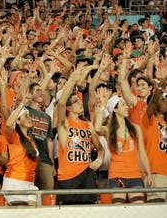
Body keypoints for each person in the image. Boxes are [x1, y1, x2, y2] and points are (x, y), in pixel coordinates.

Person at [55, 67, 104, 205]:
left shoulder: (87, 124)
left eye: (79, 100)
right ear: (69, 108)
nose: (80, 102)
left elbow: (99, 147)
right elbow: (61, 103)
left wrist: (99, 159)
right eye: (76, 101)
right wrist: (72, 80)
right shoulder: (64, 123)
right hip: (68, 176)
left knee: (88, 212)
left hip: (86, 173)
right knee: (67, 216)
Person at [95, 94, 153, 204]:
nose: (126, 107)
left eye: (126, 104)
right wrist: (102, 106)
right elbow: (97, 128)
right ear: (115, 110)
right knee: (119, 208)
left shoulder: (135, 128)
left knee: (138, 208)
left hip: (135, 175)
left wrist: (148, 173)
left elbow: (142, 153)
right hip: (117, 176)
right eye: (123, 105)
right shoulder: (109, 130)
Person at [2, 100, 39, 206]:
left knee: (32, 217)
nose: (29, 118)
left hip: (29, 182)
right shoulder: (14, 136)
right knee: (21, 216)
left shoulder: (31, 139)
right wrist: (22, 103)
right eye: (26, 116)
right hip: (15, 182)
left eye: (29, 116)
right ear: (18, 121)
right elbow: (8, 124)